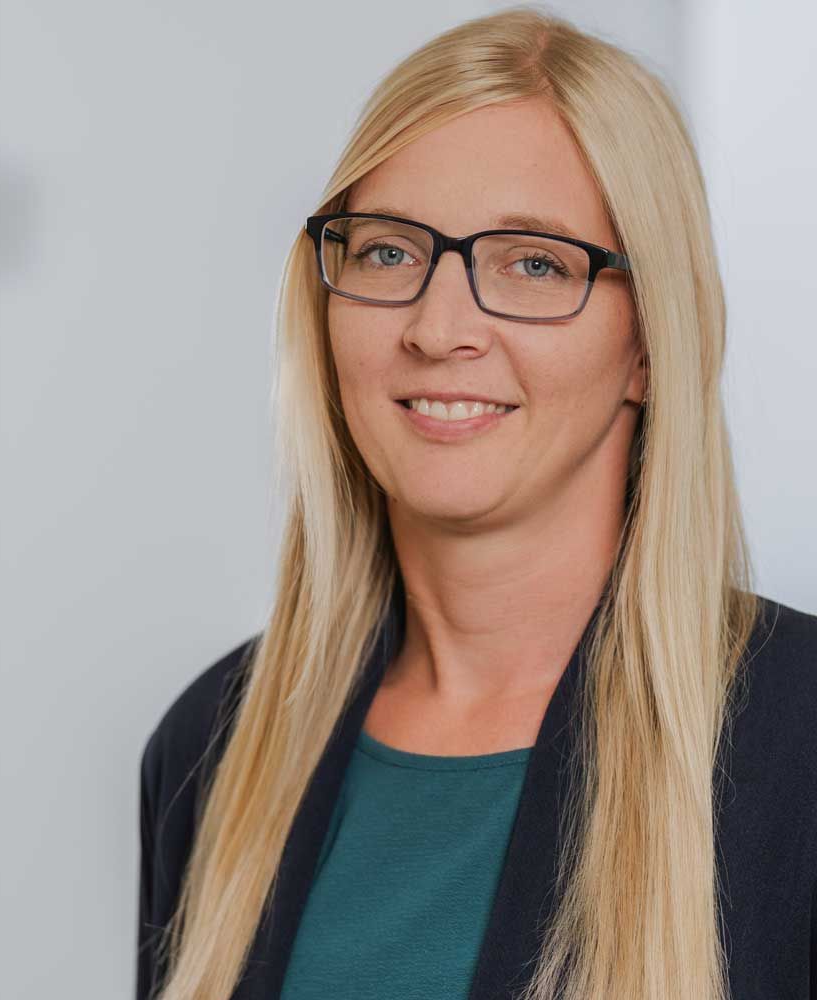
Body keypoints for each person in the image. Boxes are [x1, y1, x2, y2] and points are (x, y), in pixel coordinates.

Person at [136, 8, 817, 1000]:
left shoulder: (796, 741)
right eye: (385, 253)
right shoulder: (214, 744)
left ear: (647, 346)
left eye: (533, 263)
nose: (438, 325)